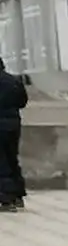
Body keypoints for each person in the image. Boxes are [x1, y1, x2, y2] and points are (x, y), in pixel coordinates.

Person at [0, 64, 27, 212]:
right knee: (12, 158)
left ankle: (6, 198)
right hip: (13, 124)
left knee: (1, 161)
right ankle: (18, 195)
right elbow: (22, 102)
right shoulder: (14, 81)